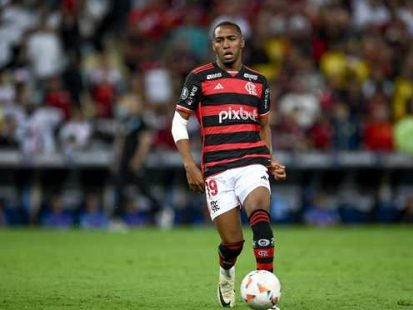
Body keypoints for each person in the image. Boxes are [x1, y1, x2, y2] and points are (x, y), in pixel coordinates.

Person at [171, 21, 286, 309]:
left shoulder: (259, 82)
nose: (226, 44)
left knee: (260, 219)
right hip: (217, 170)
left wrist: (268, 160)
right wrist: (188, 164)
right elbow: (178, 122)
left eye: (231, 38)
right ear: (214, 45)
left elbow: (264, 126)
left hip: (252, 164)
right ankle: (226, 271)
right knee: (233, 244)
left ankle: (267, 296)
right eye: (220, 40)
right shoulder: (199, 78)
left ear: (242, 42)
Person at [111, 94, 162, 227]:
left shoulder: (141, 121)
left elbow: (145, 141)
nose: (129, 106)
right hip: (124, 160)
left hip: (134, 160)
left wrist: (138, 159)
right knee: (120, 188)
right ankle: (117, 219)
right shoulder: (125, 120)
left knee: (143, 188)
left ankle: (160, 211)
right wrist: (117, 159)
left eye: (132, 103)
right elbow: (120, 141)